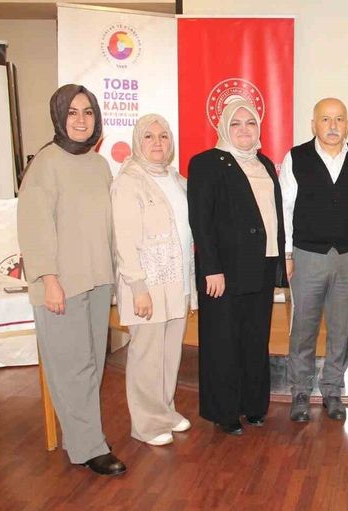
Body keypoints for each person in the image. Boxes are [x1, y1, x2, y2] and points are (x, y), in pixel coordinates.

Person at [17, 84, 125, 476]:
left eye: (88, 112)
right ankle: (89, 447)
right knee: (72, 368)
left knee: (93, 364)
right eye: (73, 112)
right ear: (59, 117)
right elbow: (34, 227)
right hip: (60, 284)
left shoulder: (99, 165)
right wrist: (49, 280)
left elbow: (108, 225)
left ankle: (82, 436)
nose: (81, 120)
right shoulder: (46, 163)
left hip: (97, 280)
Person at [188, 99, 287, 435]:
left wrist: (280, 261)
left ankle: (253, 405)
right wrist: (211, 268)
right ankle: (225, 411)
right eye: (236, 123)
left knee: (255, 338)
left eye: (250, 123)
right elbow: (201, 221)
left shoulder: (264, 162)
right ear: (223, 127)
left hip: (262, 264)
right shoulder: (206, 163)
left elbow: (274, 215)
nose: (244, 129)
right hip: (224, 271)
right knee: (222, 341)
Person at [279, 98, 348, 422]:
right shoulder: (296, 157)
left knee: (340, 329)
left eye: (339, 119)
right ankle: (300, 391)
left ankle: (333, 390)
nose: (333, 126)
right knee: (302, 329)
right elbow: (285, 208)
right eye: (325, 119)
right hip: (307, 256)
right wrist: (287, 253)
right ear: (313, 124)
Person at [111, 114, 195, 446]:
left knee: (170, 354)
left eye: (163, 136)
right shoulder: (128, 182)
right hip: (146, 286)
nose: (157, 142)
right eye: (149, 136)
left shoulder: (176, 179)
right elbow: (124, 240)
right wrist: (138, 288)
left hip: (177, 282)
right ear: (137, 142)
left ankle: (165, 412)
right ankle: (146, 424)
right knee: (147, 356)